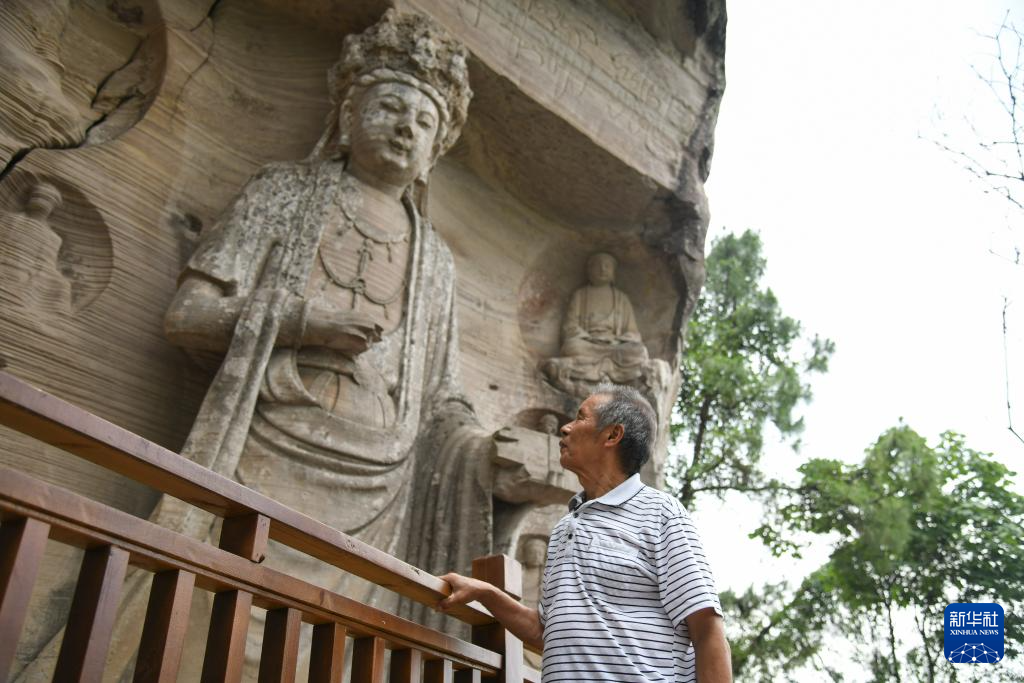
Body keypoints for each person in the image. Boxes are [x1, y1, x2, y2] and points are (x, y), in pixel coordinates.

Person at [439, 384, 732, 682]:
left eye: (580, 417)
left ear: (612, 435)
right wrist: (486, 594)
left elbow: (707, 630)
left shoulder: (661, 513)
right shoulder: (564, 528)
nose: (565, 428)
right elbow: (546, 631)